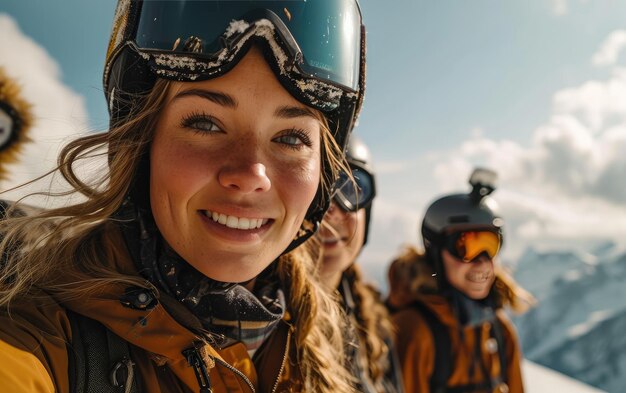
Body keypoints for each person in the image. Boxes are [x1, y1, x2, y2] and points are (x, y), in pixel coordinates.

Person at [0, 1, 366, 392]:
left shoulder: (312, 345)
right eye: (206, 124)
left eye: (291, 138)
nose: (250, 175)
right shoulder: (40, 334)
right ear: (142, 144)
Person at [388, 168, 535, 393]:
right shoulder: (415, 331)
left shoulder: (499, 329)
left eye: (490, 246)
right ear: (435, 251)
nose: (483, 263)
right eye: (466, 247)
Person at [317, 136, 403, 393]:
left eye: (351, 189)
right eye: (317, 191)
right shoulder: (262, 327)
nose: (331, 211)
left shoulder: (372, 322)